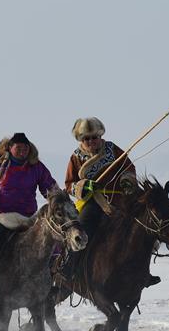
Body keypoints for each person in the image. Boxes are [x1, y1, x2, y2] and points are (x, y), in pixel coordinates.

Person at [0, 132, 59, 299]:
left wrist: (58, 199)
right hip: (2, 215)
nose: (23, 151)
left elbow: (49, 187)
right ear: (10, 148)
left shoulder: (36, 167)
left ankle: (48, 284)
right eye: (19, 148)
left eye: (25, 148)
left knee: (50, 245)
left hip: (28, 217)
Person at [64, 117, 159, 287]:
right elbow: (69, 184)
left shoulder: (113, 151)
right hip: (92, 202)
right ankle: (71, 269)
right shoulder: (76, 157)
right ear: (81, 140)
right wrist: (83, 186)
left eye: (94, 137)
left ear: (100, 136)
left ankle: (143, 273)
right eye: (86, 138)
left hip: (119, 200)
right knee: (80, 233)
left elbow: (129, 168)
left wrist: (127, 180)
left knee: (139, 231)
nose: (91, 141)